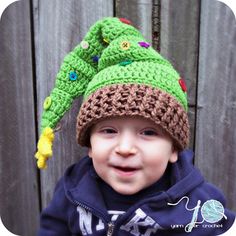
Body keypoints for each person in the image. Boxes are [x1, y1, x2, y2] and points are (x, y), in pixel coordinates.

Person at [36, 17, 235, 235]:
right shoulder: (72, 189)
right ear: (89, 145)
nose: (125, 148)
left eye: (148, 132)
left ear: (174, 148)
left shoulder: (199, 207)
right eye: (109, 131)